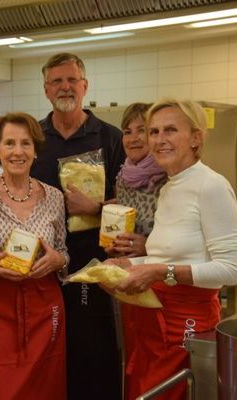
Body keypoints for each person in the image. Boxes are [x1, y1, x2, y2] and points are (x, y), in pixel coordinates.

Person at [109, 98, 237, 399]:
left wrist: (157, 270)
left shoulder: (211, 186)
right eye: (153, 132)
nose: (159, 140)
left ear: (196, 137)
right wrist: (133, 264)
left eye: (170, 130)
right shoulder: (169, 187)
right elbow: (167, 254)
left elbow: (231, 268)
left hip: (186, 321)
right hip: (152, 321)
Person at [31, 52, 125, 399]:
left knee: (92, 351)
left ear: (84, 86)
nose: (65, 87)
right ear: (46, 89)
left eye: (72, 80)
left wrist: (96, 208)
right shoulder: (34, 138)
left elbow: (130, 205)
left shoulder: (110, 138)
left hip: (92, 265)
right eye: (57, 81)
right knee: (46, 349)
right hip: (40, 264)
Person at [0, 112, 69, 400]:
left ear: (35, 150)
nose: (18, 151)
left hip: (43, 305)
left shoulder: (54, 197)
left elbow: (63, 250)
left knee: (46, 387)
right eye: (9, 143)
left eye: (26, 143)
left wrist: (57, 260)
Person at [102, 102, 166, 397]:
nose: (134, 138)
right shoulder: (123, 177)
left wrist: (146, 244)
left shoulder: (169, 177)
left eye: (144, 130)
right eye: (128, 131)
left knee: (160, 362)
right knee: (133, 356)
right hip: (129, 279)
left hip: (163, 282)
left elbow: (180, 239)